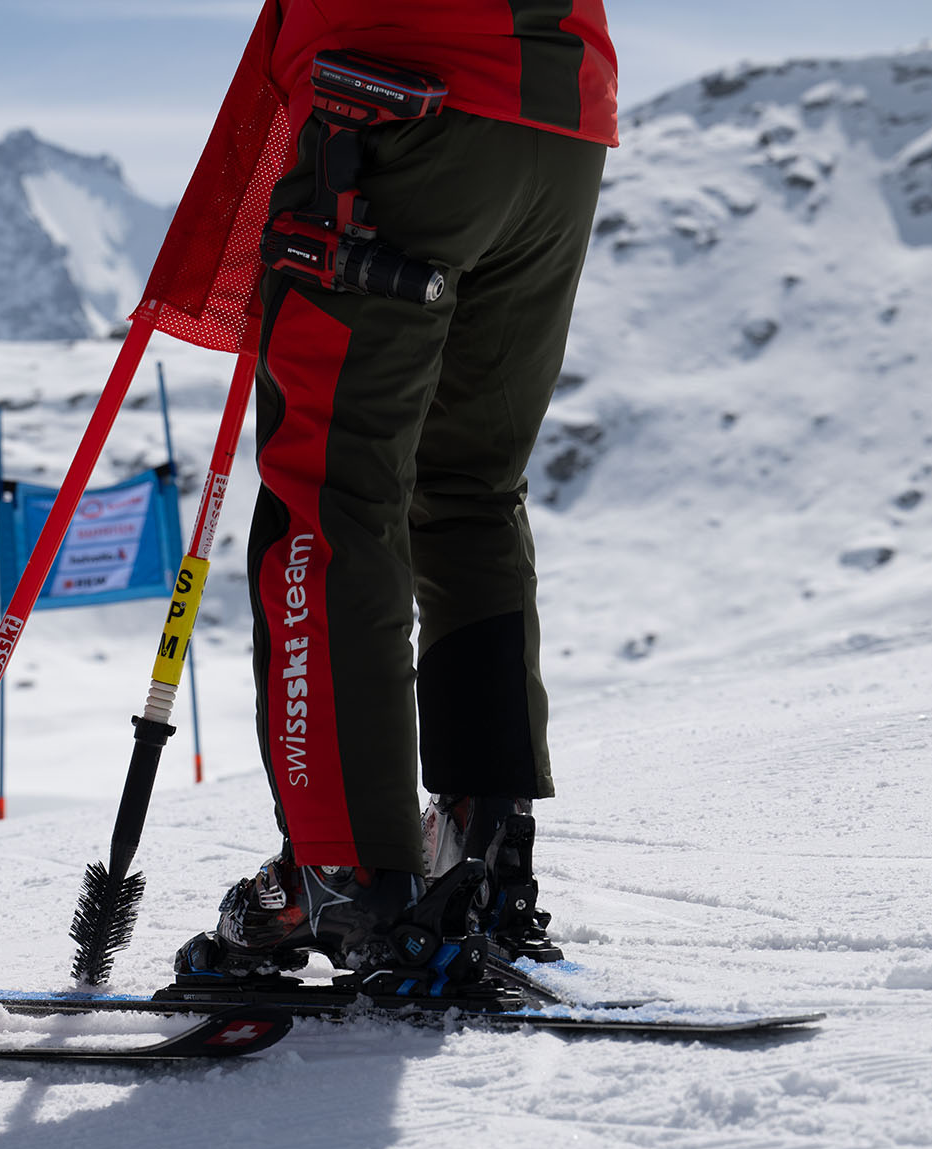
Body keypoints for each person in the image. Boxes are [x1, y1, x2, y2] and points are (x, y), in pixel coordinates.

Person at [175, 2, 617, 979]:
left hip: (392, 101)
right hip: (559, 112)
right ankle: (483, 860)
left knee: (330, 494)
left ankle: (343, 873)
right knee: (469, 488)